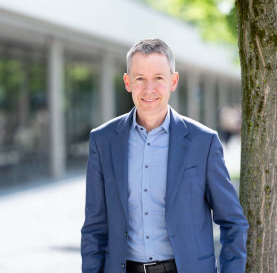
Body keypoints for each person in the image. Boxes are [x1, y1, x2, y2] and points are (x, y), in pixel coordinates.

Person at [81, 39, 248, 273]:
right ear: (128, 82)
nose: (149, 89)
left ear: (173, 81)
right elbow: (94, 228)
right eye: (140, 78)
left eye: (159, 78)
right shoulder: (103, 140)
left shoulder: (203, 142)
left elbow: (233, 222)